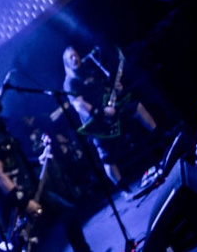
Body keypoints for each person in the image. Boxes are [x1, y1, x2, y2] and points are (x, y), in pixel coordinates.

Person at [0, 86, 92, 252]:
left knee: (68, 213)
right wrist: (23, 202)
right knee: (31, 244)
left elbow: (16, 161)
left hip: (31, 190)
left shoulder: (3, 127)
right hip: (15, 203)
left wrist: (37, 161)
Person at [61, 46, 158, 194]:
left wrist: (116, 89)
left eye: (75, 55)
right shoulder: (70, 82)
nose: (75, 59)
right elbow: (79, 105)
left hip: (110, 109)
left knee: (137, 107)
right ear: (66, 63)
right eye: (71, 58)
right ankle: (124, 190)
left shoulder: (88, 69)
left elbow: (104, 87)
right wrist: (100, 112)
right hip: (96, 121)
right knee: (107, 158)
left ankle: (159, 135)